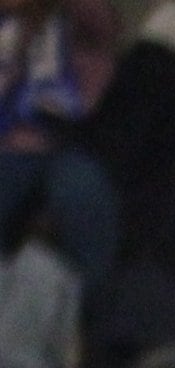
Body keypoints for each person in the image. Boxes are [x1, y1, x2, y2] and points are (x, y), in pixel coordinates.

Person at [0, 0, 117, 308]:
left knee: (82, 190)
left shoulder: (79, 17)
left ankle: (81, 317)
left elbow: (91, 85)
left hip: (69, 145)